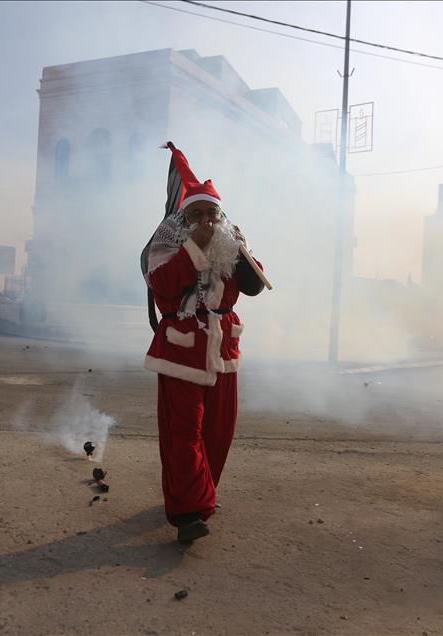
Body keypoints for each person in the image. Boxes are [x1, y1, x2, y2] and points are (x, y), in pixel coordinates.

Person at [143, 143, 264, 543]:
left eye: (211, 212)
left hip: (222, 350)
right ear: (184, 217)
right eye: (197, 214)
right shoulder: (167, 246)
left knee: (218, 431)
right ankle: (188, 512)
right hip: (181, 348)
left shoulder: (232, 244)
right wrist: (194, 245)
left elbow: (254, 286)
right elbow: (161, 286)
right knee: (184, 431)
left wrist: (237, 247)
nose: (206, 220)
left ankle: (201, 493)